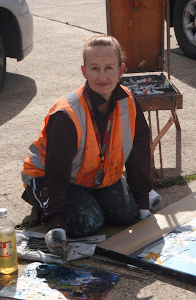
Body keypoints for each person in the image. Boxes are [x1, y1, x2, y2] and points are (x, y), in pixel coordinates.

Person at [21, 35, 152, 254]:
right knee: (88, 223)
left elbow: (139, 155)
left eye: (109, 68)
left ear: (121, 70)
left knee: (127, 214)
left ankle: (91, 198)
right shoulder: (67, 113)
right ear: (84, 72)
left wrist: (143, 203)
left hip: (93, 175)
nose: (102, 76)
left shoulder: (129, 102)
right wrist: (55, 221)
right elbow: (57, 171)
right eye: (94, 68)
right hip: (49, 178)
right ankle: (43, 203)